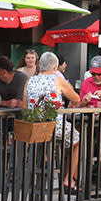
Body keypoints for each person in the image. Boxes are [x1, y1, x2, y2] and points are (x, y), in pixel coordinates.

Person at [23, 52, 82, 193]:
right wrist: (70, 106)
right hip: (53, 127)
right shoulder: (57, 80)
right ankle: (69, 180)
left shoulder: (30, 80)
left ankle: (44, 161)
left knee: (52, 142)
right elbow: (76, 98)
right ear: (55, 67)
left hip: (34, 128)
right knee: (77, 140)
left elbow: (25, 107)